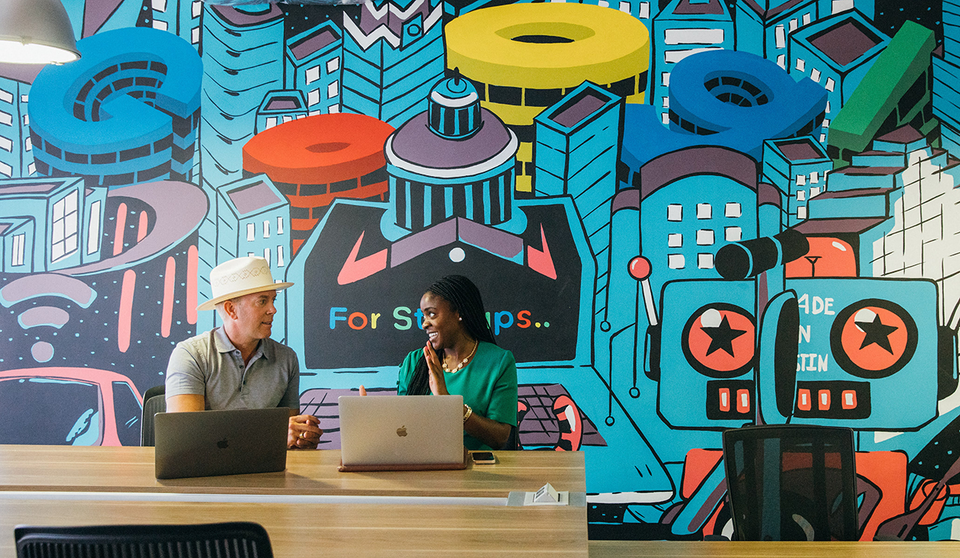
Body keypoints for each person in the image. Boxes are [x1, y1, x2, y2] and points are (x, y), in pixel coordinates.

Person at [165, 256, 322, 449]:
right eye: (262, 301)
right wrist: (272, 435)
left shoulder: (286, 358)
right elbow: (185, 438)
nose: (273, 309)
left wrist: (300, 438)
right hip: (206, 468)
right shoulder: (191, 354)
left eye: (273, 300)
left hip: (265, 467)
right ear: (231, 309)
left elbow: (288, 439)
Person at [396, 275, 518, 450]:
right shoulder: (414, 362)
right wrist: (373, 422)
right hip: (423, 464)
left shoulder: (499, 362)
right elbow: (401, 429)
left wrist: (447, 402)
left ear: (459, 313)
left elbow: (500, 438)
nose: (424, 324)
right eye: (423, 316)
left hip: (476, 466)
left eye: (431, 314)